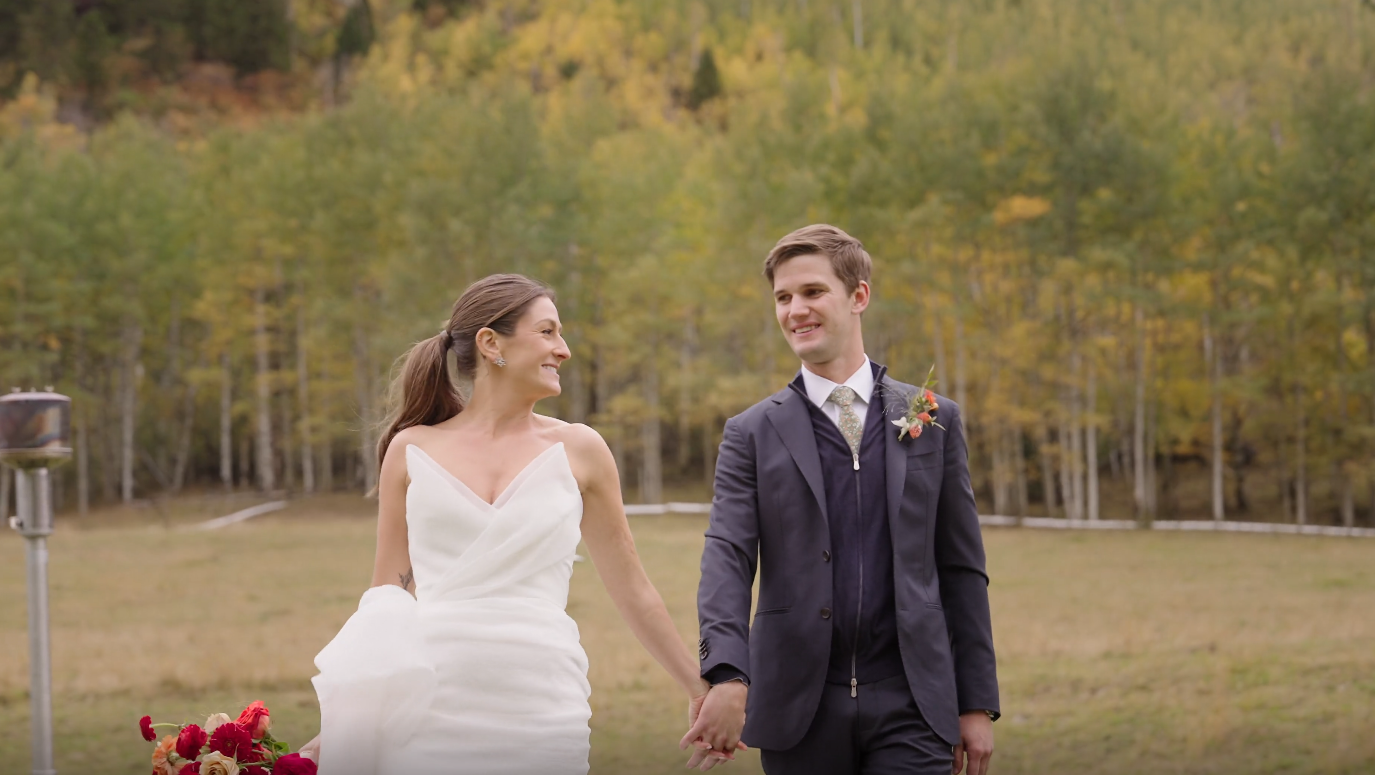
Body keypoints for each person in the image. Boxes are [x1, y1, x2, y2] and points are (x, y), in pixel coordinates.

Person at [301, 274, 735, 774]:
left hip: (543, 701)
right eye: (548, 332)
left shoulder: (582, 450)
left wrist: (697, 689)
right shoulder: (410, 449)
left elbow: (633, 589)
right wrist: (349, 718)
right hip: (427, 705)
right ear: (491, 344)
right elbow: (386, 599)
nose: (564, 350)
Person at [685, 225, 1000, 774]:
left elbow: (962, 567)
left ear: (859, 296)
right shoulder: (750, 433)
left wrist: (975, 701)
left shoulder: (933, 417)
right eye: (783, 298)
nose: (794, 310)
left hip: (915, 706)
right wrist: (729, 674)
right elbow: (727, 558)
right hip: (798, 707)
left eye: (811, 292)